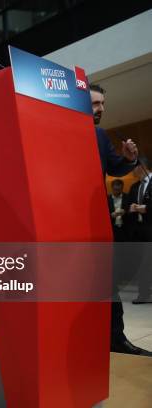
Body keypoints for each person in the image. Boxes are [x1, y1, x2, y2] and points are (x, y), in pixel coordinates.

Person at [90, 84, 152, 356]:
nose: (101, 109)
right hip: (63, 220)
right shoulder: (56, 131)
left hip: (96, 220)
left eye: (103, 103)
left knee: (109, 284)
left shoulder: (100, 135)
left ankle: (116, 339)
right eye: (95, 103)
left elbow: (115, 166)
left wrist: (130, 159)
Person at [126, 158, 152, 304]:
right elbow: (129, 205)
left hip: (151, 228)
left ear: (141, 167)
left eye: (133, 169)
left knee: (147, 263)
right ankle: (144, 292)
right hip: (139, 231)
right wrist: (132, 208)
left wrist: (146, 208)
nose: (132, 172)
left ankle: (144, 293)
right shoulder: (135, 186)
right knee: (143, 262)